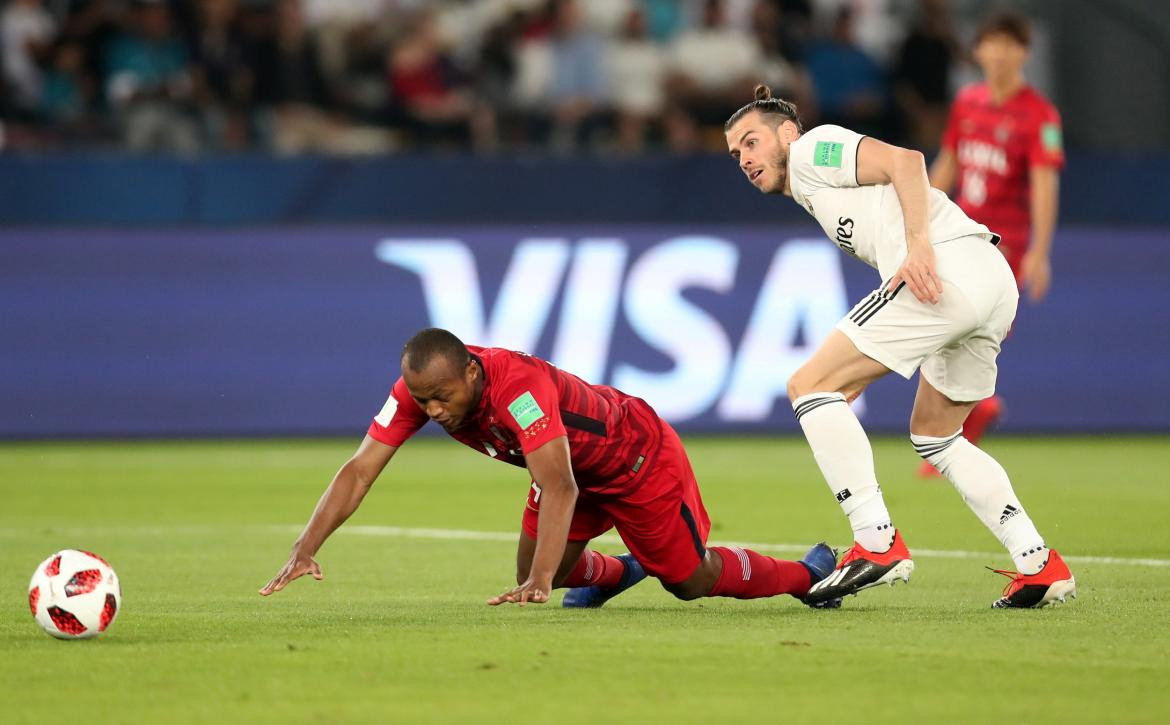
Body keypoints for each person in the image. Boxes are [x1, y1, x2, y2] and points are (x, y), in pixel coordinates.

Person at [723, 84, 1075, 608]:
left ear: (787, 133)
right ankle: (1040, 564)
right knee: (938, 435)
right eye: (736, 154)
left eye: (751, 143)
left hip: (947, 270)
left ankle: (876, 541)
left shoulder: (814, 149)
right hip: (991, 279)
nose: (745, 160)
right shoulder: (813, 189)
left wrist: (917, 247)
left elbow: (907, 161)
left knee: (810, 385)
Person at [260, 328, 838, 609]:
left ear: (471, 373)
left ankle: (809, 576)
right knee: (546, 570)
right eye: (422, 399)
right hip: (565, 469)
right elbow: (359, 470)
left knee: (689, 582)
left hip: (634, 459)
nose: (431, 411)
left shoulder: (519, 389)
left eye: (440, 397)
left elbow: (557, 485)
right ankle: (617, 574)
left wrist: (536, 583)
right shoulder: (420, 392)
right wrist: (307, 545)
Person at [922, 11, 1064, 475]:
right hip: (960, 231)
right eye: (990, 44)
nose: (998, 54)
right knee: (941, 323)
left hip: (1005, 243)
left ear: (1024, 52)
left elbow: (1044, 184)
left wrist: (1041, 252)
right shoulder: (968, 102)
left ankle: (958, 423)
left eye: (1009, 45)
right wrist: (916, 210)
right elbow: (949, 164)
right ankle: (972, 411)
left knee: (962, 324)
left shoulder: (1040, 115)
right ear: (978, 50)